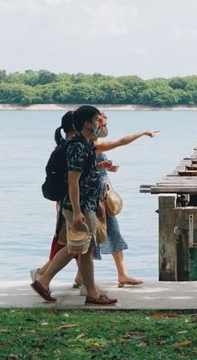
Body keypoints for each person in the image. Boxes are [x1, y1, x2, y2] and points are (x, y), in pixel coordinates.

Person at [30, 105, 116, 305]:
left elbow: (85, 176)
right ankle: (44, 281)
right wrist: (78, 212)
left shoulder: (84, 143)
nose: (99, 124)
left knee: (83, 248)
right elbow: (73, 181)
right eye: (97, 120)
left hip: (87, 204)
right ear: (87, 123)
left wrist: (96, 199)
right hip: (79, 206)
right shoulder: (77, 145)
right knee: (78, 247)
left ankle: (90, 292)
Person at [73, 118, 157, 291]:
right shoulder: (92, 144)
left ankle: (112, 274)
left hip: (99, 196)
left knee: (104, 234)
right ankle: (79, 277)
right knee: (93, 238)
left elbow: (88, 168)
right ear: (91, 124)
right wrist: (142, 133)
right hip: (96, 199)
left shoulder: (89, 144)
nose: (103, 127)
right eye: (101, 123)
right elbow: (120, 142)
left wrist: (103, 166)